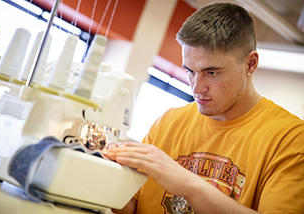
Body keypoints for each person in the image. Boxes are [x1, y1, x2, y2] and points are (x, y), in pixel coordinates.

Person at [103, 2, 304, 214]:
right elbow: (133, 208)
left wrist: (188, 185)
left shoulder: (290, 139)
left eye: (212, 72)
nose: (197, 87)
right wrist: (102, 175)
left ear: (250, 64)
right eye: (190, 71)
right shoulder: (168, 122)